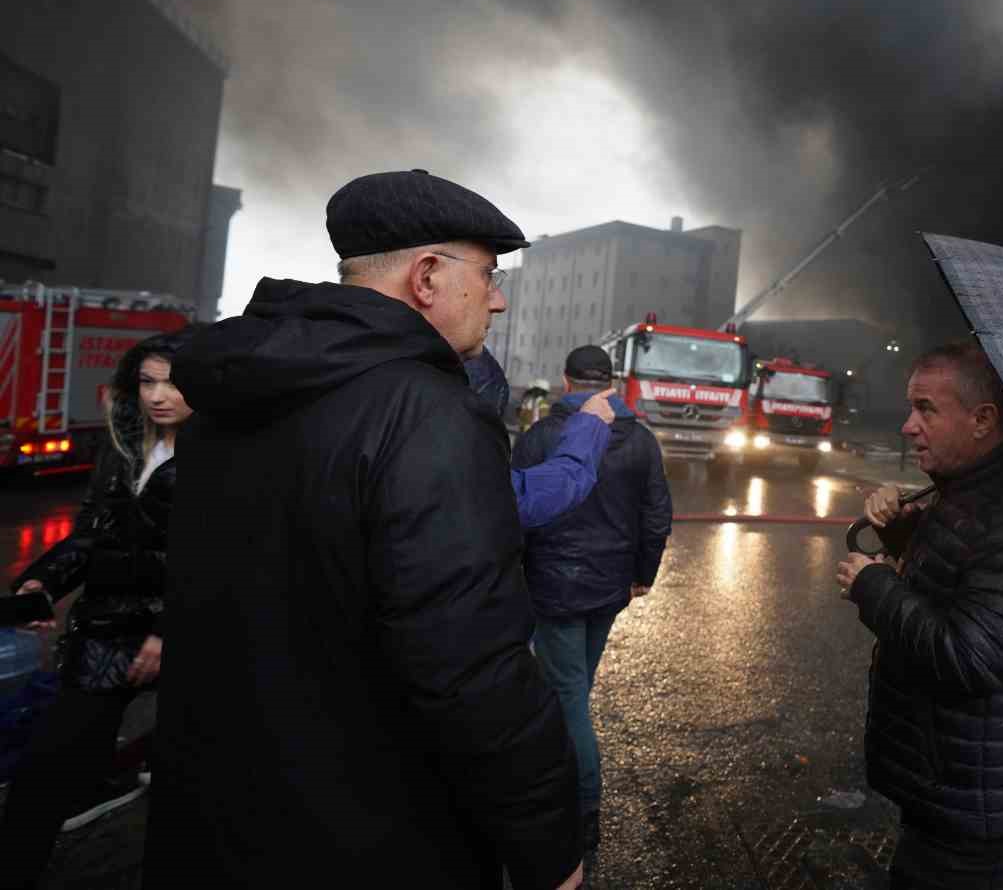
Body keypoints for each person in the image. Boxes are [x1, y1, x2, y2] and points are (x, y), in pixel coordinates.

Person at [145, 169, 605, 890]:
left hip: (215, 822)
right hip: (378, 836)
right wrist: (549, 846)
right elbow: (471, 668)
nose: (499, 296)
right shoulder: (426, 414)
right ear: (426, 276)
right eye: (487, 274)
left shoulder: (231, 394)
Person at [835, 341, 1003, 889]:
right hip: (949, 782)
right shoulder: (965, 491)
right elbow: (954, 574)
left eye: (926, 408)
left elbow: (971, 656)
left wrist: (875, 587)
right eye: (910, 406)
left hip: (975, 806)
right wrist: (901, 532)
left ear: (982, 420)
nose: (907, 425)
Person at [0, 329, 193, 890]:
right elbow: (90, 535)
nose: (158, 395)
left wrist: (166, 632)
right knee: (48, 765)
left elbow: (217, 559)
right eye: (147, 381)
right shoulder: (125, 446)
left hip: (184, 635)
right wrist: (42, 580)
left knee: (196, 778)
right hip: (107, 628)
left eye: (173, 382)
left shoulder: (224, 458)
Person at [513, 345, 672, 860]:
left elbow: (517, 519)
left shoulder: (539, 437)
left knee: (569, 699)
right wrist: (642, 574)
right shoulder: (641, 440)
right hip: (610, 589)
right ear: (610, 384)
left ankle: (582, 813)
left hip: (554, 591)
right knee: (574, 688)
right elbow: (656, 514)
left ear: (565, 383)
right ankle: (568, 793)